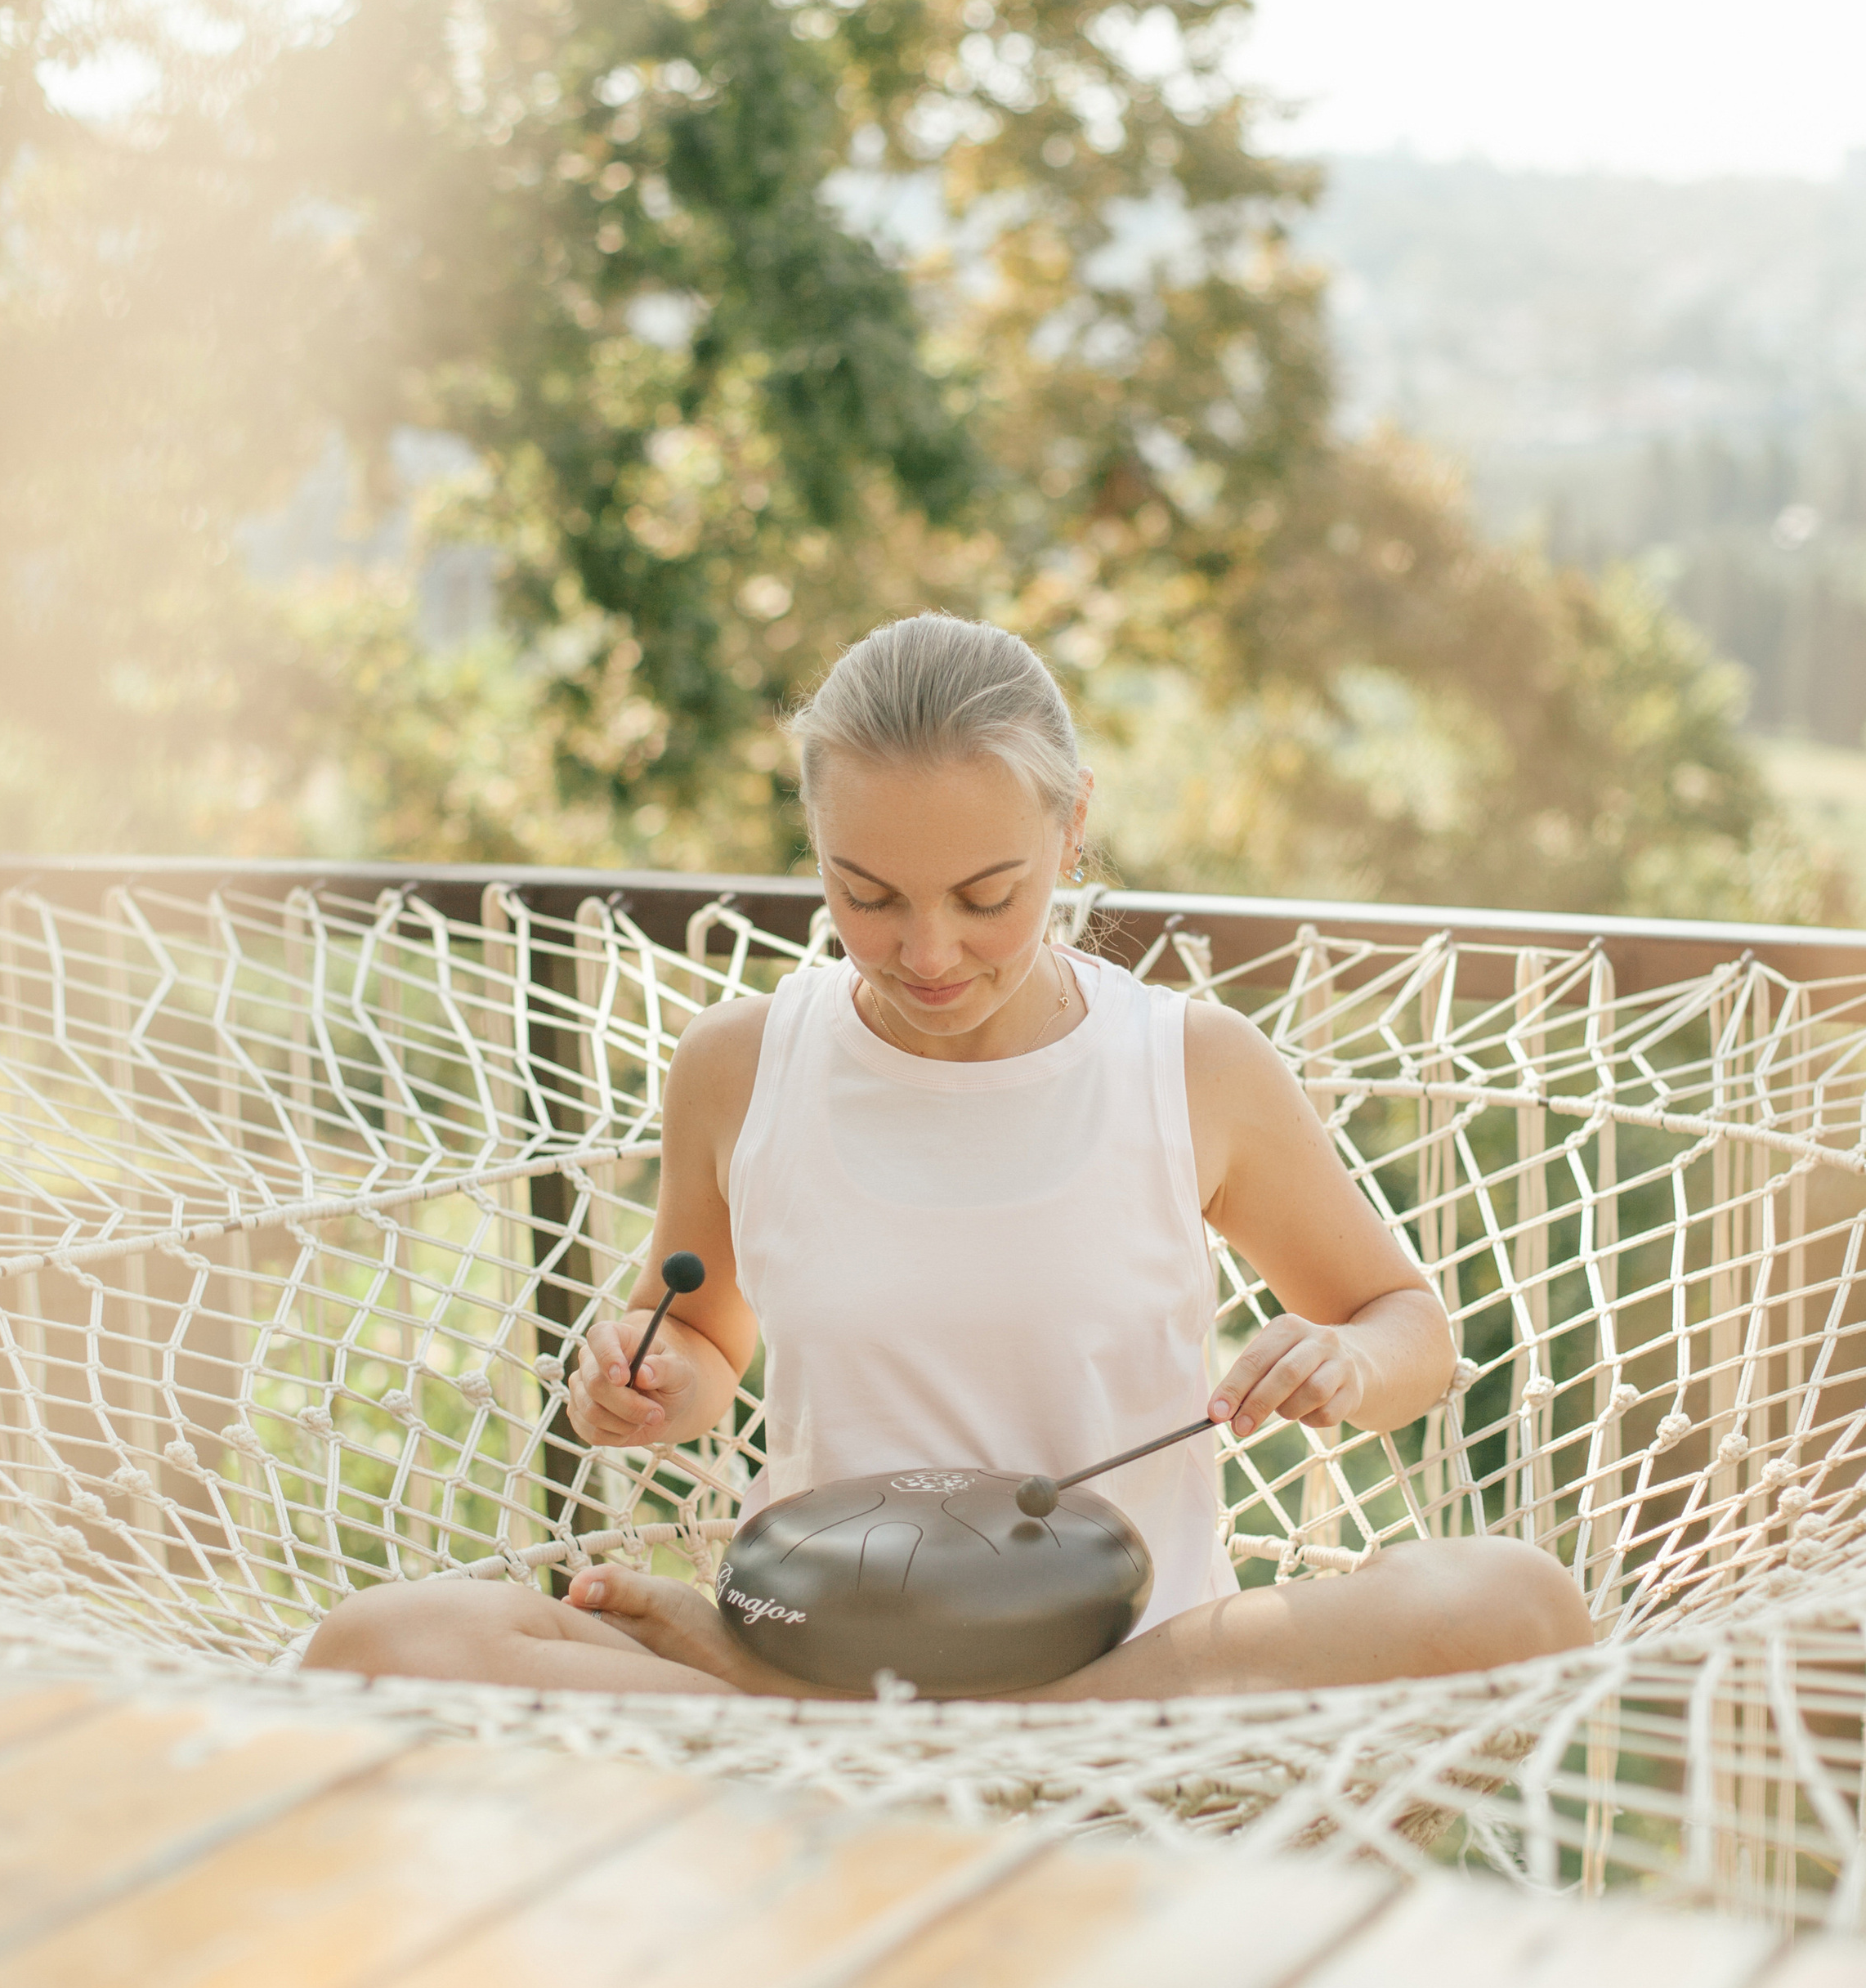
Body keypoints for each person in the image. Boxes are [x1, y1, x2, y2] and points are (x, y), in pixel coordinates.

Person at [307, 615, 1591, 1697]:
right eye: (868, 896)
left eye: (988, 897)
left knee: (1514, 1604)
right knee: (377, 1647)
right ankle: (847, 1714)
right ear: (816, 848)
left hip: (1136, 1666)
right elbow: (695, 1343)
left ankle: (950, 1731)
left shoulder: (1189, 1067)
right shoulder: (741, 1063)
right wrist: (638, 1388)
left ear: (1073, 829)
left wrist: (1346, 1358)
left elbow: (1407, 1326)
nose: (928, 953)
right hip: (819, 1643)